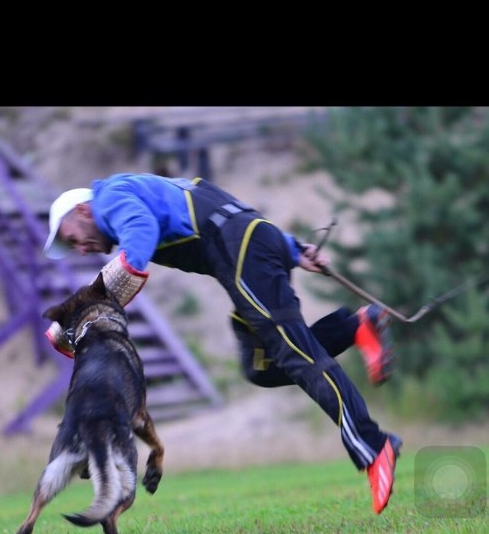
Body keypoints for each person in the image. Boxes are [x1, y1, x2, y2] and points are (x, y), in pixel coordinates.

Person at [43, 174, 401, 514]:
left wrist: (105, 290)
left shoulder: (107, 199)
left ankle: (373, 446)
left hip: (241, 251)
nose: (81, 249)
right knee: (261, 365)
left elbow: (142, 231)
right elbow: (213, 201)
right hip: (252, 241)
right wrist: (291, 248)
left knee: (296, 355)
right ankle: (357, 326)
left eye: (73, 238)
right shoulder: (131, 189)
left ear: (83, 211)